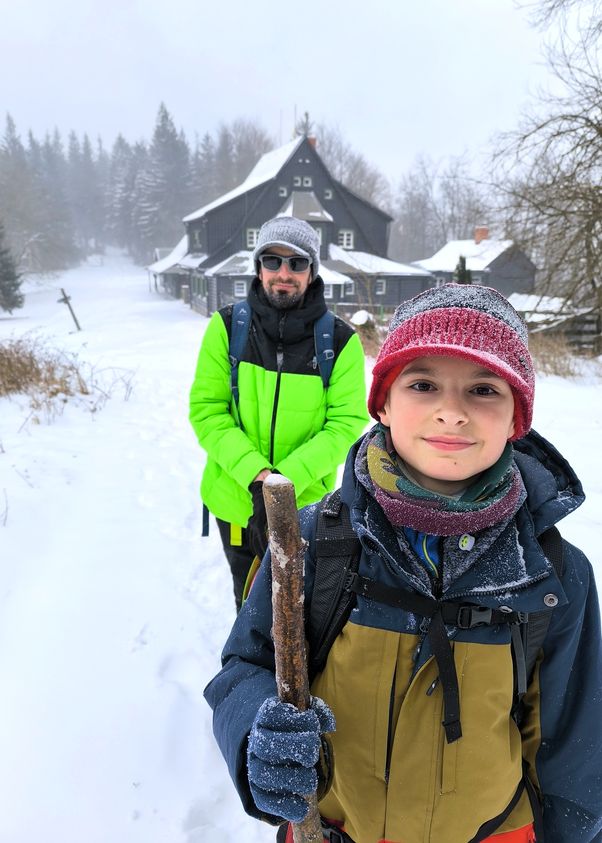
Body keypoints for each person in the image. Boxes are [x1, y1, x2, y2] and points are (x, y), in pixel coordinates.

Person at [204, 284, 602, 843]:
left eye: (484, 389)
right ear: (384, 403)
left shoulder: (553, 571)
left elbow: (574, 748)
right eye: (422, 384)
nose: (452, 412)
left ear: (517, 418)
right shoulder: (317, 541)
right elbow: (246, 667)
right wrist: (255, 738)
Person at [189, 216, 369, 611]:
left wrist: (282, 484)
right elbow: (208, 412)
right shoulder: (226, 328)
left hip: (306, 506)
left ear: (312, 271)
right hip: (236, 503)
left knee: (298, 605)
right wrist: (258, 478)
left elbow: (346, 423)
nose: (283, 273)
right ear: (258, 267)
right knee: (248, 598)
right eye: (272, 260)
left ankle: (294, 672)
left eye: (296, 263)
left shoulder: (339, 342)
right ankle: (251, 669)